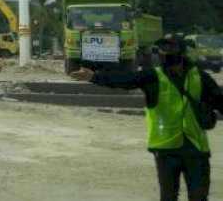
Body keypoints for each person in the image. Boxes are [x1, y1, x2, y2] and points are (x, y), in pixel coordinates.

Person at [71, 34, 223, 201]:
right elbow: (125, 80)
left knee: (199, 197)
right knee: (168, 197)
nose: (164, 52)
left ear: (182, 51)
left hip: (196, 149)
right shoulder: (153, 77)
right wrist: (93, 77)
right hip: (166, 149)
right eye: (162, 48)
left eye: (170, 47)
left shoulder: (200, 77)